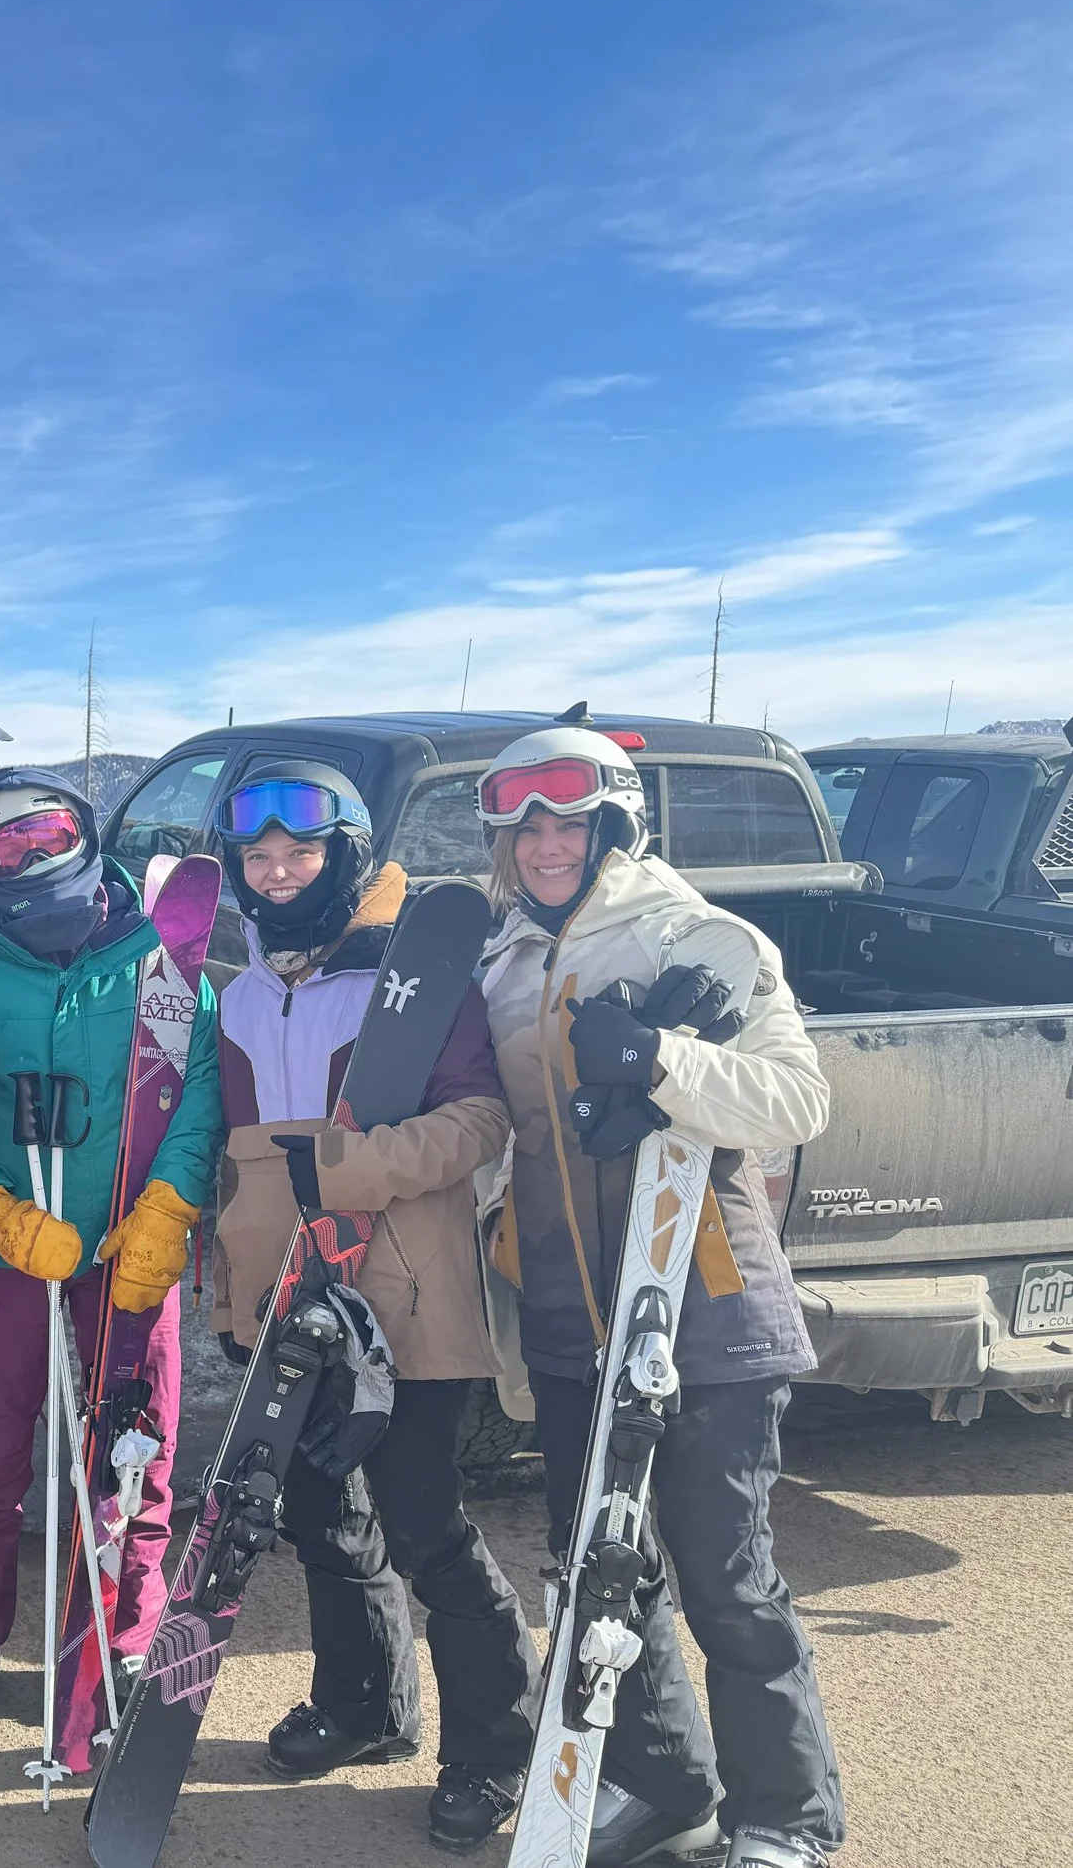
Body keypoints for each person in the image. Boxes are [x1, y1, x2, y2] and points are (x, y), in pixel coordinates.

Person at [474, 720, 842, 1868]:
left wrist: (661, 1065)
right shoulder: (504, 962)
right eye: (523, 826)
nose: (545, 846)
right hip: (569, 1315)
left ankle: (784, 1818)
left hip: (705, 1307)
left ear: (615, 822)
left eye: (568, 821)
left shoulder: (698, 936)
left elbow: (794, 1101)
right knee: (600, 1572)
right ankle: (666, 1784)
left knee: (723, 1571)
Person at [204, 761, 537, 1853]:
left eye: (298, 852)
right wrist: (235, 1277)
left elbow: (480, 1121)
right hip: (290, 1292)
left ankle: (492, 1753)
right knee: (315, 1513)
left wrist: (352, 1168)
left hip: (403, 1288)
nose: (278, 871)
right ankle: (363, 1707)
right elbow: (245, 1163)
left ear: (340, 854)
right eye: (256, 857)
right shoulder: (243, 991)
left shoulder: (412, 976)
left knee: (424, 1525)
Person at [0, 769, 222, 1736]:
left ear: (88, 838)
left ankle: (120, 1629)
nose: (34, 855)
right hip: (12, 1253)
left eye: (50, 833)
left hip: (129, 1252)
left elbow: (196, 1092)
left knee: (134, 1450)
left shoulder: (162, 961)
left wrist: (169, 1208)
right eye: (7, 844)